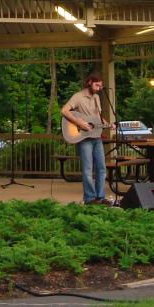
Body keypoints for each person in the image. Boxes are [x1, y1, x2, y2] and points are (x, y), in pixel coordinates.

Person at [61, 70, 112, 205]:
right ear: (90, 82)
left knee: (101, 168)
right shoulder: (78, 96)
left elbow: (98, 118)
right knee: (88, 169)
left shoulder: (96, 98)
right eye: (97, 85)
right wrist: (80, 123)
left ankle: (100, 197)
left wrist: (109, 124)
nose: (99, 89)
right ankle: (89, 198)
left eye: (100, 86)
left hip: (96, 137)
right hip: (84, 139)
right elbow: (64, 110)